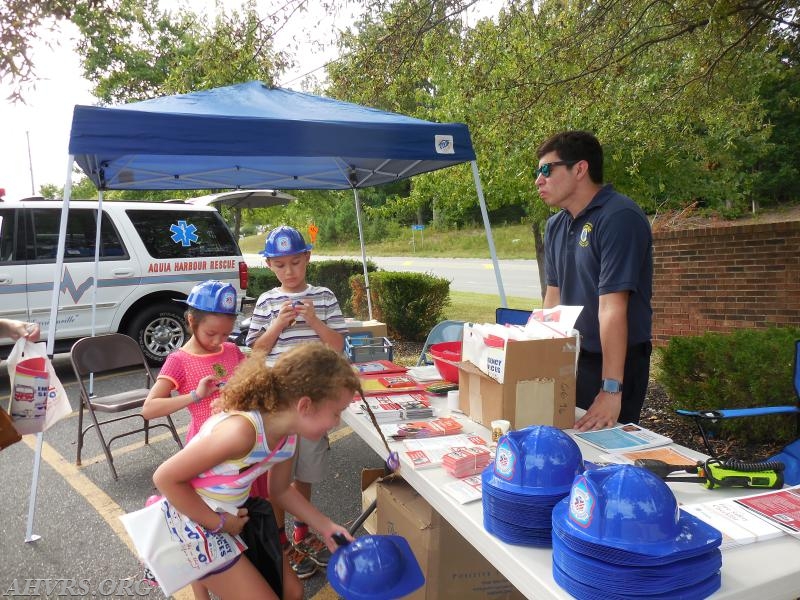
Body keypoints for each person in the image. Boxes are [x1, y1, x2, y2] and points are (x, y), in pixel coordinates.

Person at [152, 343, 357, 600]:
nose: (337, 422)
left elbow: (280, 491)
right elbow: (165, 478)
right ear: (305, 406)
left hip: (228, 517)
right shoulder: (241, 432)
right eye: (336, 413)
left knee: (292, 592)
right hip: (191, 524)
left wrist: (326, 526)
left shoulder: (288, 437)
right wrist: (220, 523)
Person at [245, 225, 347, 578]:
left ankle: (303, 532)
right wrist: (277, 324)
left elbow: (337, 346)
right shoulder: (267, 301)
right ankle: (280, 539)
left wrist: (314, 319)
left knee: (306, 469)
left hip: (315, 401)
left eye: (295, 262)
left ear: (307, 258)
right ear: (270, 266)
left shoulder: (324, 296)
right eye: (281, 265)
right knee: (278, 472)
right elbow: (255, 350)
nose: (289, 272)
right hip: (278, 402)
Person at [536, 130, 653, 432]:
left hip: (617, 362)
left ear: (580, 169)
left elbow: (612, 309)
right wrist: (541, 363)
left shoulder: (619, 216)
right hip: (574, 357)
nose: (539, 180)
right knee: (564, 439)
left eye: (547, 170)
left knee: (606, 453)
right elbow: (553, 297)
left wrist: (612, 390)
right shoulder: (555, 225)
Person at [142, 280, 244, 442]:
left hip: (240, 437)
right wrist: (196, 395)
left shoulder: (232, 349)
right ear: (191, 320)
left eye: (226, 334)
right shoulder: (179, 360)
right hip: (206, 445)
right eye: (211, 333)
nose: (218, 340)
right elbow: (149, 409)